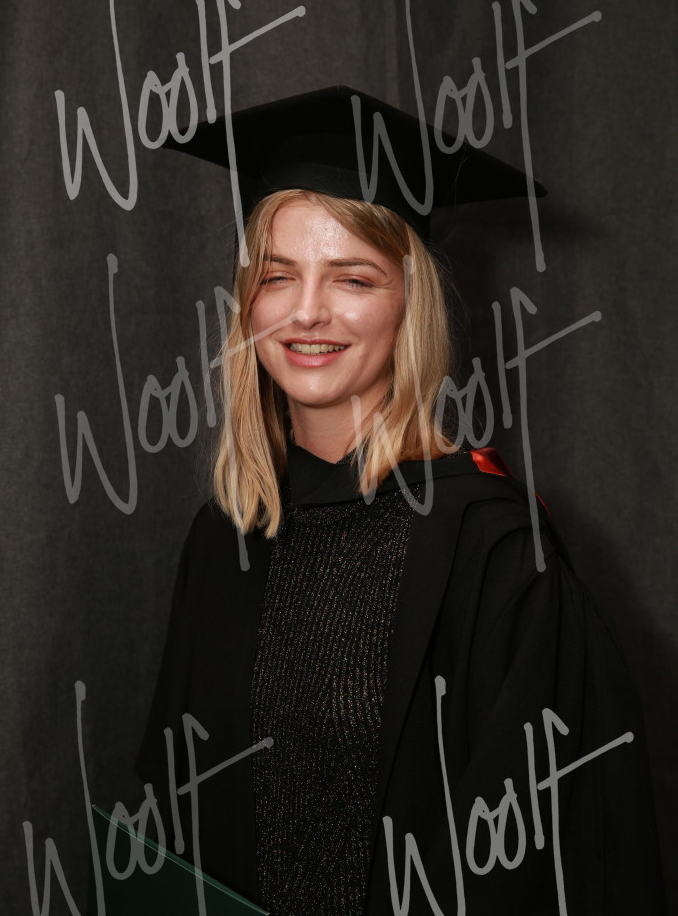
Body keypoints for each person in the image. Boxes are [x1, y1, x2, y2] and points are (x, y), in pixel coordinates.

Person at [137, 88, 666, 915]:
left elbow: (561, 857)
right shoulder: (226, 534)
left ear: (409, 304)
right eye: (277, 276)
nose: (306, 311)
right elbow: (170, 819)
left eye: (352, 277)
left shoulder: (491, 546)